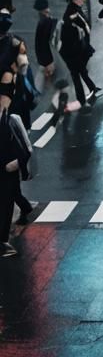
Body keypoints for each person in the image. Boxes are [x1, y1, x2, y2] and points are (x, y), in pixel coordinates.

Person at [0, 94, 32, 259]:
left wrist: (17, 162)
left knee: (7, 204)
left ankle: (2, 242)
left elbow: (26, 149)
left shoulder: (11, 120)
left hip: (8, 171)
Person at [59, 0, 99, 106]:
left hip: (75, 49)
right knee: (77, 73)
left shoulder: (73, 10)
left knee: (80, 71)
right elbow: (87, 27)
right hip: (73, 51)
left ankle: (91, 88)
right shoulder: (73, 13)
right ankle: (82, 99)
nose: (83, 0)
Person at [33, 0, 57, 79]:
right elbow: (45, 43)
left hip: (45, 58)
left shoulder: (43, 22)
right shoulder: (46, 22)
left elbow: (42, 43)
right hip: (48, 58)